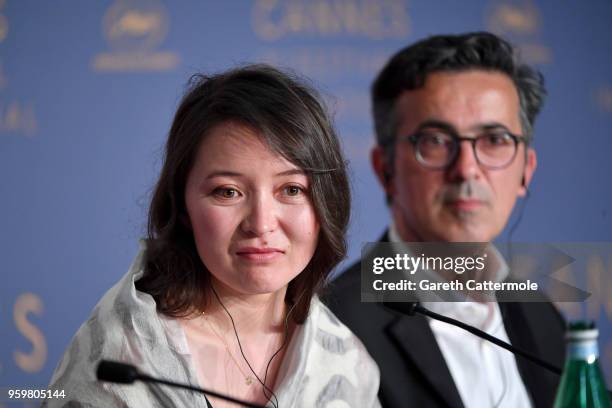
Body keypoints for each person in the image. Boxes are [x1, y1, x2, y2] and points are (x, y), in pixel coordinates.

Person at [45, 65, 380, 407]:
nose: (261, 224)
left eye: (291, 189)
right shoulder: (119, 357)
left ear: (327, 202)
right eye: (228, 192)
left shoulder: (347, 363)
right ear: (183, 205)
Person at [326, 32, 566, 408]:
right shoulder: (334, 326)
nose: (467, 169)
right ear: (385, 169)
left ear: (526, 171)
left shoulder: (542, 317)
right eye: (436, 141)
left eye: (495, 139)